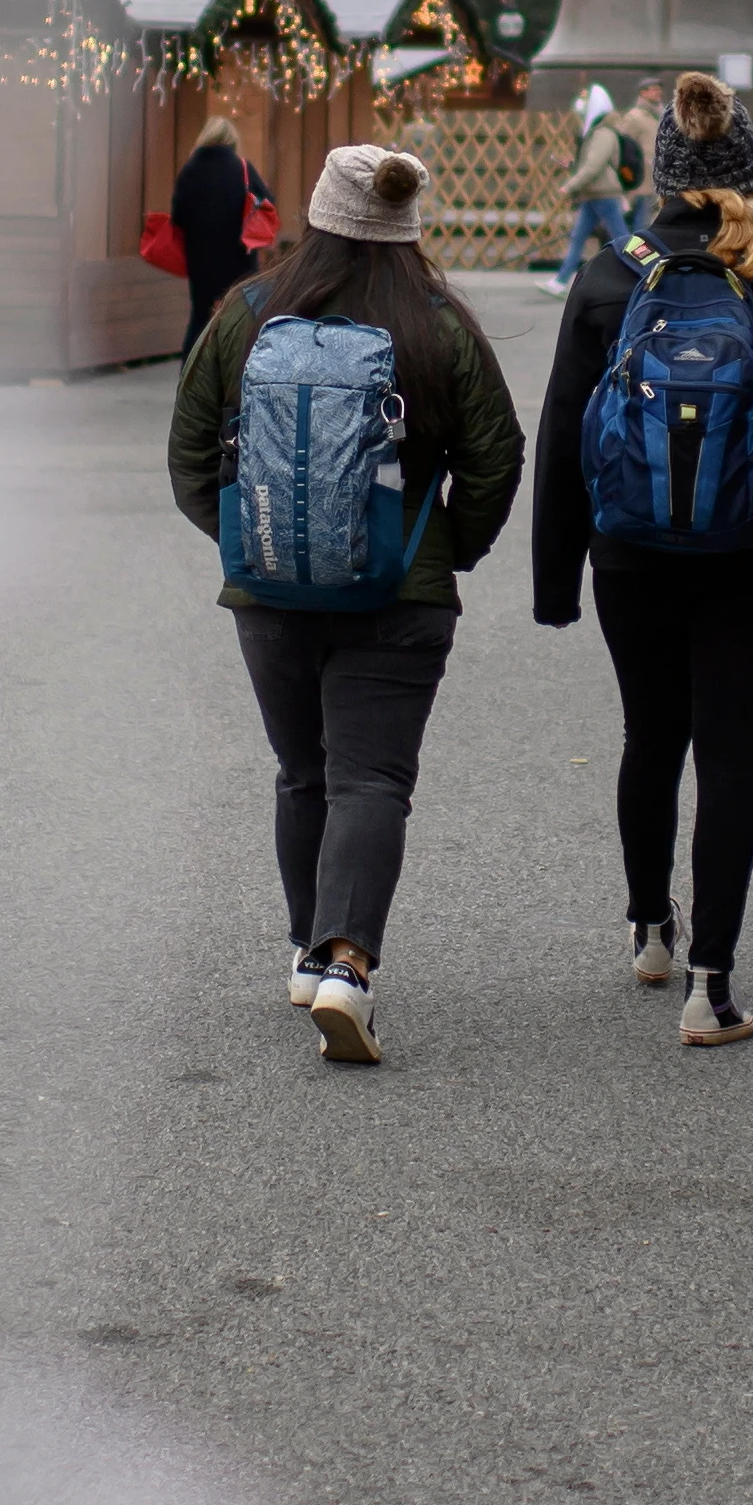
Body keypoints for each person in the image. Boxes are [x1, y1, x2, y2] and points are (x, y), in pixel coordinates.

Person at [169, 144, 525, 1064]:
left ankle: (304, 950)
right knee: (371, 778)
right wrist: (449, 548)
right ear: (406, 228)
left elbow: (189, 451)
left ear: (318, 217)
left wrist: (252, 543)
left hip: (271, 594)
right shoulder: (439, 325)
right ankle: (348, 967)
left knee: (303, 770)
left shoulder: (246, 314)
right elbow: (496, 455)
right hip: (400, 590)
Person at [535, 71, 753, 1048]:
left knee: (650, 736)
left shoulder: (611, 275)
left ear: (663, 177)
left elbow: (562, 430)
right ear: (752, 168)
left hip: (630, 549)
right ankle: (710, 987)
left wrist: (557, 577)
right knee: (730, 755)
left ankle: (648, 928)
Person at [167, 110, 271, 347]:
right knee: (242, 317)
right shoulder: (242, 168)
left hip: (200, 261)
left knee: (200, 317)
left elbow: (178, 217)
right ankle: (236, 370)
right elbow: (268, 203)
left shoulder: (189, 171)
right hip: (239, 258)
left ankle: (192, 375)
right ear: (231, 141)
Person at [543, 82, 636, 297]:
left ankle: (641, 275)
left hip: (603, 193)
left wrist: (570, 185)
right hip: (594, 194)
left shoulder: (603, 133)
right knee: (580, 237)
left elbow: (594, 166)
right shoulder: (598, 132)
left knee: (621, 238)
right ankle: (560, 280)